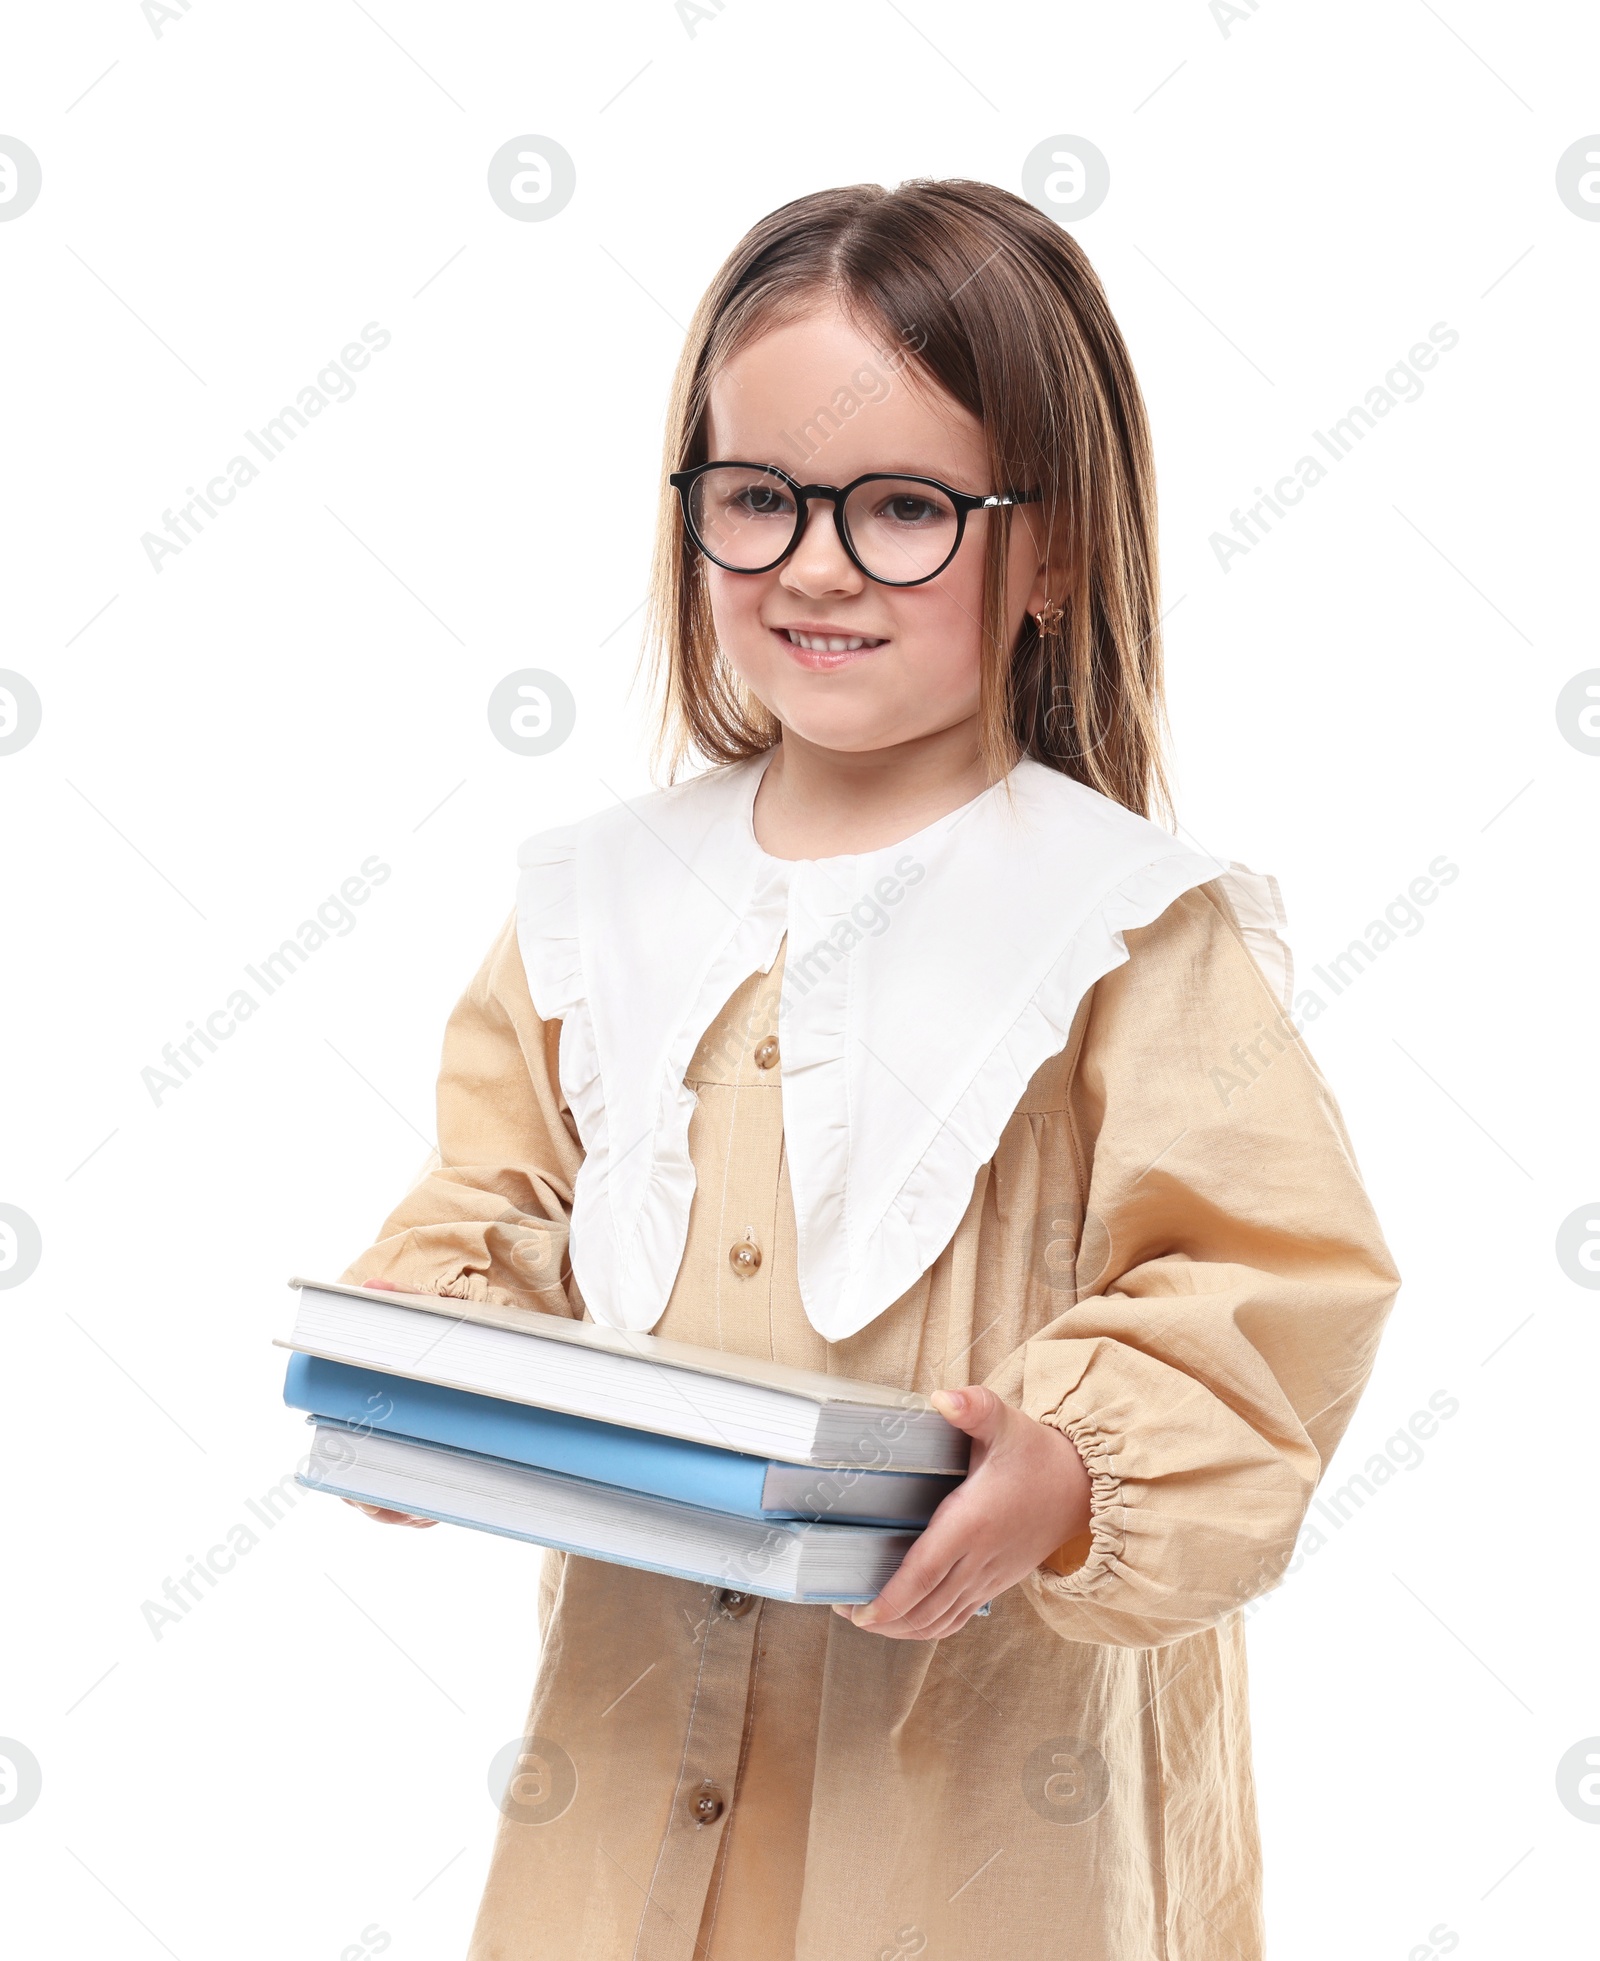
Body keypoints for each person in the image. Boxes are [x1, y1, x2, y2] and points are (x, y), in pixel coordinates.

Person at [336, 178, 1399, 1960]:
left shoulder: (1127, 926)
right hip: (631, 1765)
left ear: (1050, 543)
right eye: (758, 499)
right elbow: (503, 1192)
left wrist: (1075, 1460)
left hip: (978, 1806)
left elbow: (1269, 1282)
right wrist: (419, 1349)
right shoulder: (600, 899)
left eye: (905, 506)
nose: (814, 563)